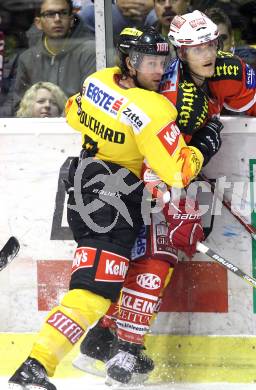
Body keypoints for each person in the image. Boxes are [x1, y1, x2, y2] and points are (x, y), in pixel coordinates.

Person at [72, 9, 256, 386]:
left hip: (175, 172)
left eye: (211, 43)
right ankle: (123, 348)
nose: (207, 53)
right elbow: (152, 152)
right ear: (179, 52)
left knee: (157, 258)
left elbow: (254, 95)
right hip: (134, 179)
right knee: (156, 256)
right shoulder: (162, 88)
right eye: (196, 47)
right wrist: (174, 207)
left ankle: (105, 340)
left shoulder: (224, 68)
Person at [8, 25, 208, 390]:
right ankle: (36, 364)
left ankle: (79, 351)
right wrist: (204, 146)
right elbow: (179, 172)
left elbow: (72, 111)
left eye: (162, 61)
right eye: (149, 61)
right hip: (112, 199)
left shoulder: (98, 80)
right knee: (94, 291)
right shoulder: (154, 106)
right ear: (130, 62)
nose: (158, 69)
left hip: (85, 185)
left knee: (103, 285)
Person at [12, 0, 96, 113]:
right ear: (38, 23)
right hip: (36, 127)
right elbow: (19, 106)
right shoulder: (28, 59)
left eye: (63, 13)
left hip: (75, 127)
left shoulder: (89, 53)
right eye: (50, 14)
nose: (57, 19)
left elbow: (92, 105)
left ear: (71, 20)